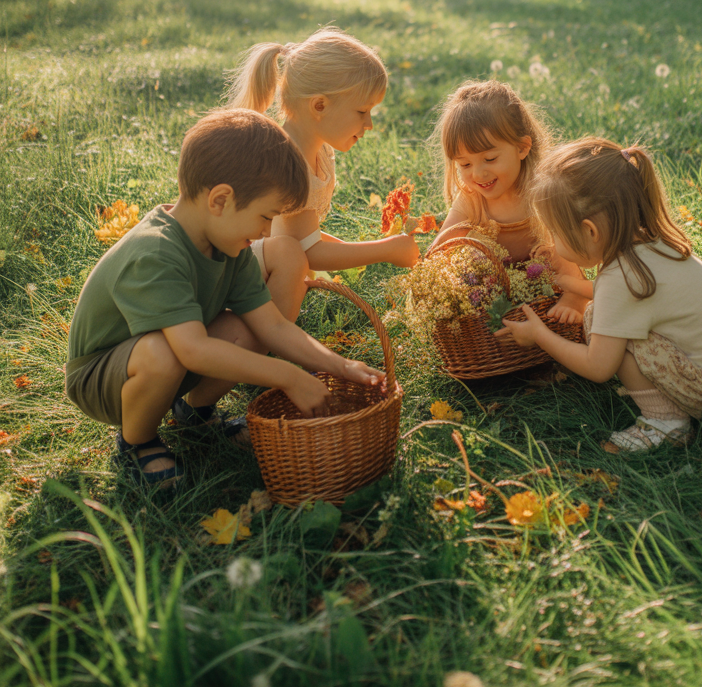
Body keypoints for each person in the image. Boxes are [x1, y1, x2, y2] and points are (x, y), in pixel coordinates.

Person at [65, 109, 386, 490]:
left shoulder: (229, 246)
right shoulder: (155, 253)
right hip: (104, 377)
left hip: (168, 354)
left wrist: (342, 366)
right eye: (265, 216)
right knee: (161, 353)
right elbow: (193, 351)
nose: (267, 230)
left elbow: (273, 326)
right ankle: (137, 441)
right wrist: (288, 376)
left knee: (248, 329)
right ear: (220, 200)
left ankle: (193, 413)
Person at [499, 137, 702, 452]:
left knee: (597, 319)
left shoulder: (620, 280)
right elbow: (627, 299)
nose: (555, 243)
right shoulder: (651, 240)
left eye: (556, 233)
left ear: (590, 231)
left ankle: (665, 423)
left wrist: (539, 335)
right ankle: (668, 402)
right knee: (607, 313)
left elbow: (598, 368)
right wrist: (566, 282)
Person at [226, 29, 420, 301]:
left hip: (271, 266)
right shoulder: (288, 163)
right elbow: (307, 253)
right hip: (241, 278)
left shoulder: (318, 150)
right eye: (362, 111)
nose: (369, 124)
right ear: (319, 106)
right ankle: (271, 337)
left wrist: (360, 251)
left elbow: (304, 238)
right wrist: (386, 250)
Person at [429, 80, 591, 323]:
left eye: (490, 159)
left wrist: (570, 287)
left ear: (522, 148)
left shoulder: (541, 191)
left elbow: (575, 249)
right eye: (465, 164)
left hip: (545, 281)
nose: (478, 174)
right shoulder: (471, 200)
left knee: (560, 251)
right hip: (494, 287)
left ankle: (575, 299)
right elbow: (440, 249)